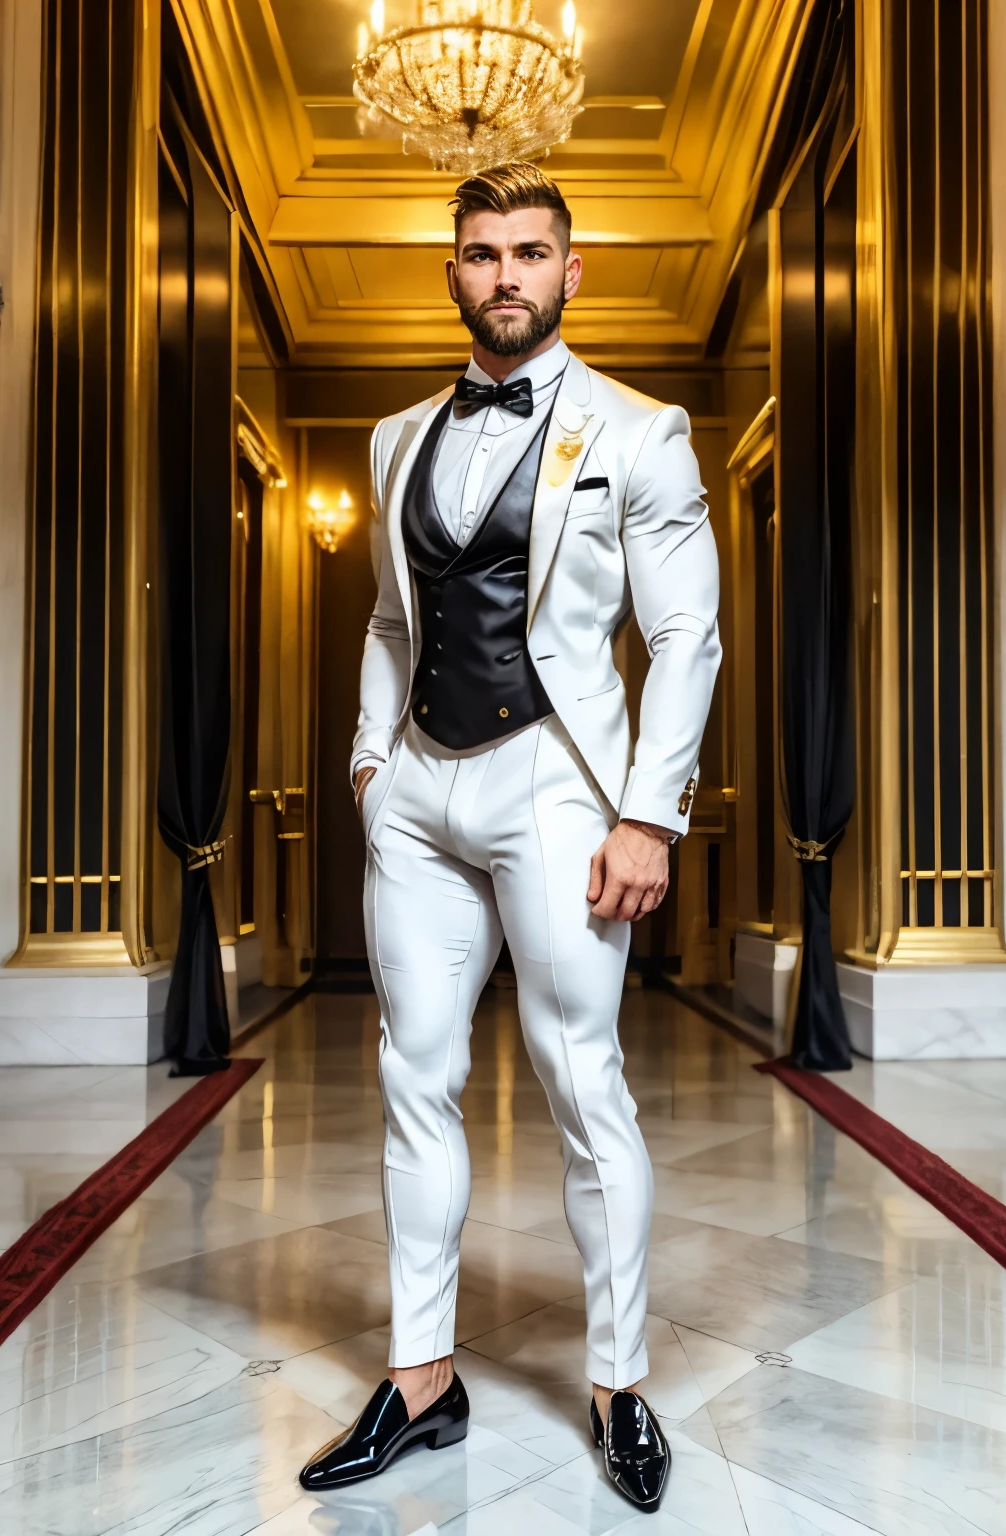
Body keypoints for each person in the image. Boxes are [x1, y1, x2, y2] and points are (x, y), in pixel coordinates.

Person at [298, 161, 720, 1514]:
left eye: (530, 252)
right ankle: (420, 1380)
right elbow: (384, 620)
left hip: (557, 782)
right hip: (418, 790)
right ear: (455, 272)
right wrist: (371, 759)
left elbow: (683, 635)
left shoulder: (642, 433)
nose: (506, 276)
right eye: (482, 253)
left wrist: (650, 811)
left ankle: (617, 1382)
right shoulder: (394, 436)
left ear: (569, 271)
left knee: (581, 1080)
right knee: (413, 1075)